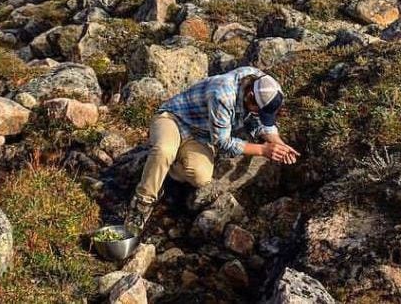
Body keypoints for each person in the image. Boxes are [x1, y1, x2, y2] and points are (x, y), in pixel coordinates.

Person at [125, 67, 298, 235]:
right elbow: (223, 141)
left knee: (200, 177)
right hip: (173, 119)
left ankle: (161, 169)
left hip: (200, 135)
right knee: (164, 150)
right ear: (250, 96)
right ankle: (142, 203)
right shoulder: (223, 94)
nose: (258, 114)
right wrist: (263, 150)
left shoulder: (264, 85)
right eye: (257, 110)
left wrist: (279, 144)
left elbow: (260, 122)